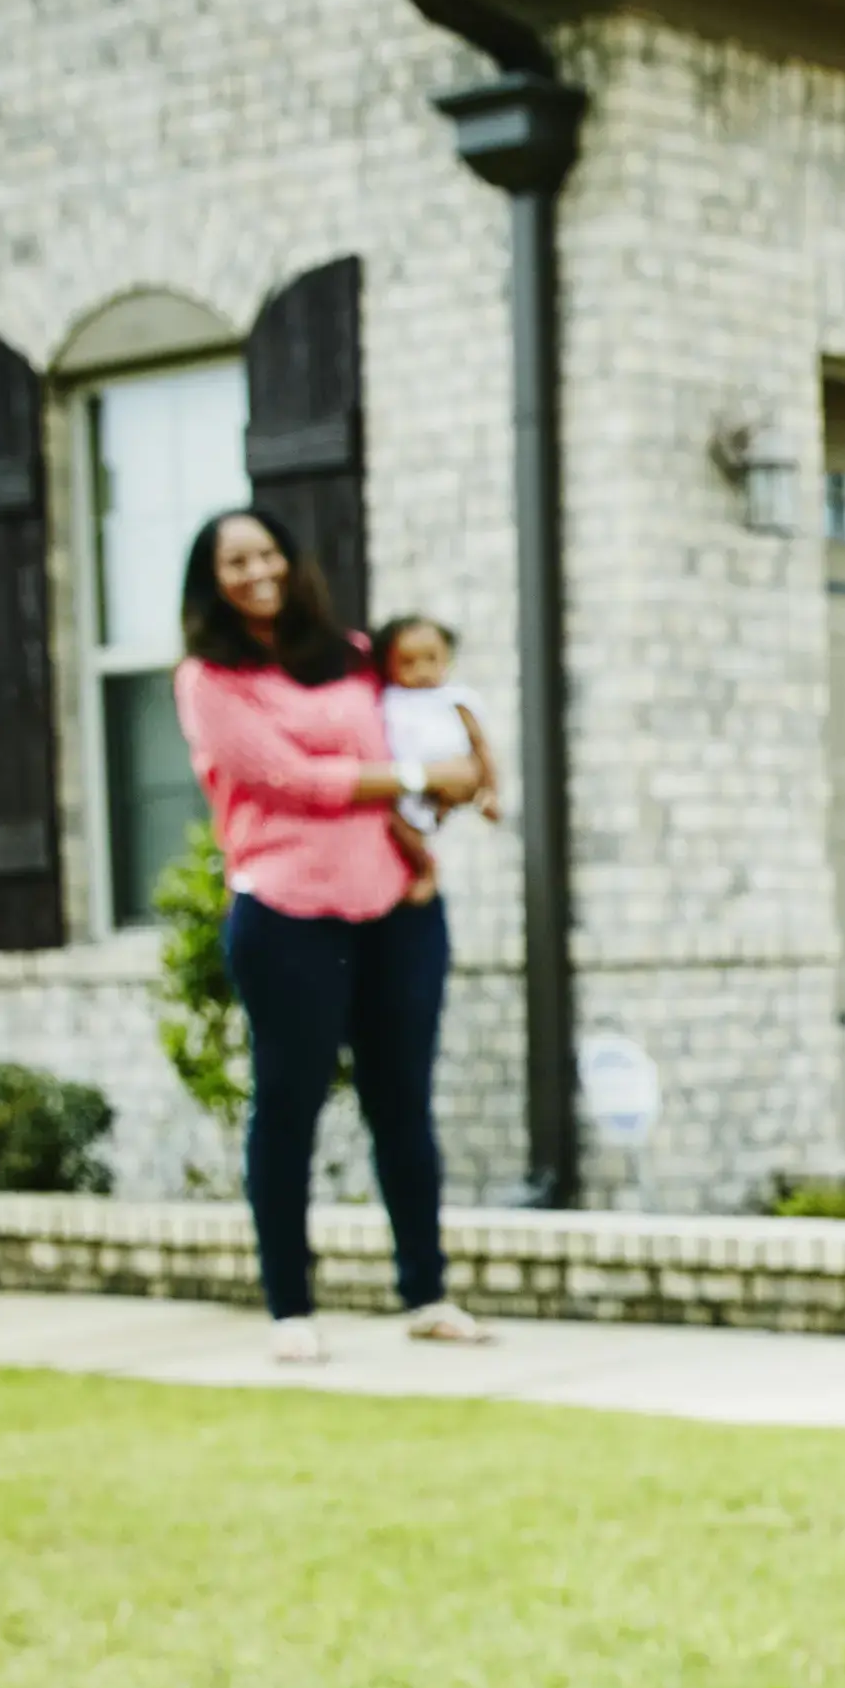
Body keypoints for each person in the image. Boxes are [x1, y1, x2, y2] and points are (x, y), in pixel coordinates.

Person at [173, 512, 493, 1363]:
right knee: (288, 1109)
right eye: (235, 561)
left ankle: (426, 1291)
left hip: (396, 910)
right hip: (287, 917)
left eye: (268, 552)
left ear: (292, 558)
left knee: (404, 1108)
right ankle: (290, 1305)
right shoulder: (209, 678)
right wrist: (426, 775)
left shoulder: (352, 652)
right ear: (213, 579)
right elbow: (290, 779)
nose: (257, 571)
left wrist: (446, 799)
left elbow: (415, 728)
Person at [373, 614, 498, 872]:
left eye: (431, 659)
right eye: (407, 662)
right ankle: (423, 867)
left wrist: (491, 791)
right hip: (403, 784)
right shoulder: (388, 700)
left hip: (453, 778)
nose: (421, 672)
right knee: (396, 824)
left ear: (447, 658)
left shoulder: (455, 699)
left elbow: (480, 744)